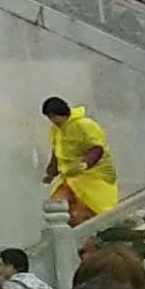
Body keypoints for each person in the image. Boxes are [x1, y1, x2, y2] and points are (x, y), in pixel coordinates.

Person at [38, 97, 116, 227]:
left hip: (93, 178)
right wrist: (50, 173)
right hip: (69, 178)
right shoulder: (56, 130)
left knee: (83, 213)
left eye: (53, 117)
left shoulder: (84, 125)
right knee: (57, 204)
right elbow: (57, 153)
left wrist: (86, 163)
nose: (52, 121)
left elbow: (97, 148)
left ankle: (86, 242)